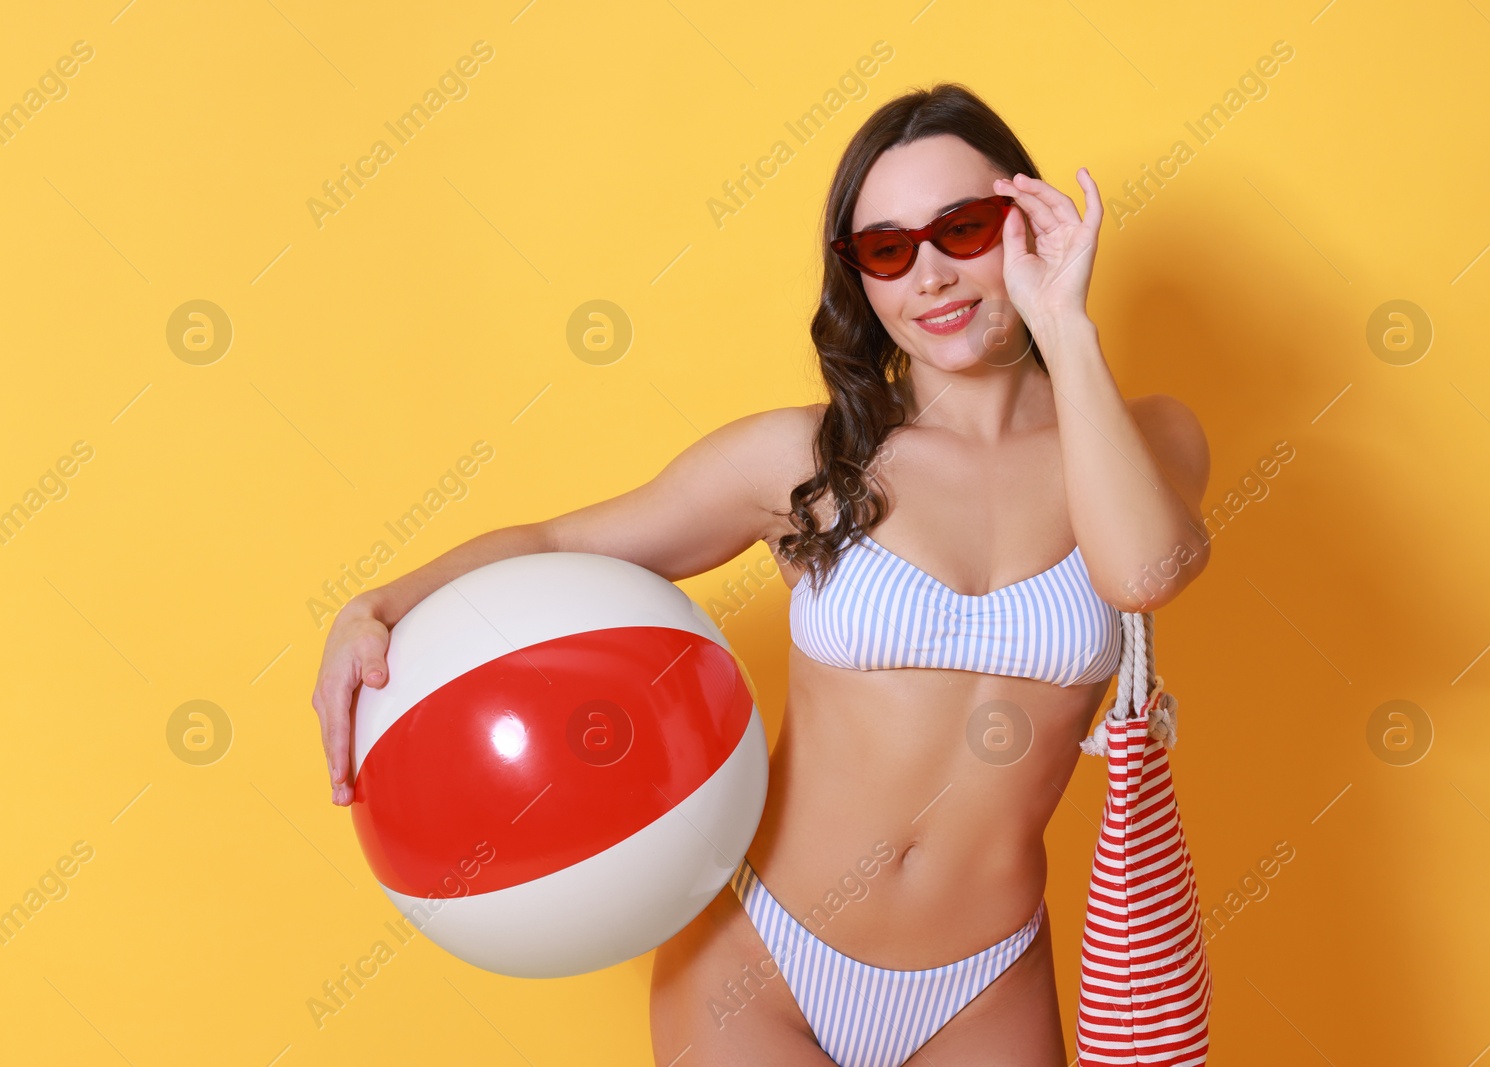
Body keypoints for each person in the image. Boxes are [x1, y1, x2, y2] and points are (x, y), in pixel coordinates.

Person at [310, 81, 1210, 1067]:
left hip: (985, 980)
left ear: (1025, 223)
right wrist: (376, 603)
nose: (932, 278)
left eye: (963, 228)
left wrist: (1065, 328)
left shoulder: (1146, 437)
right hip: (762, 965)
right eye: (886, 250)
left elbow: (1141, 572)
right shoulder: (803, 459)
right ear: (857, 278)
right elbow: (563, 546)